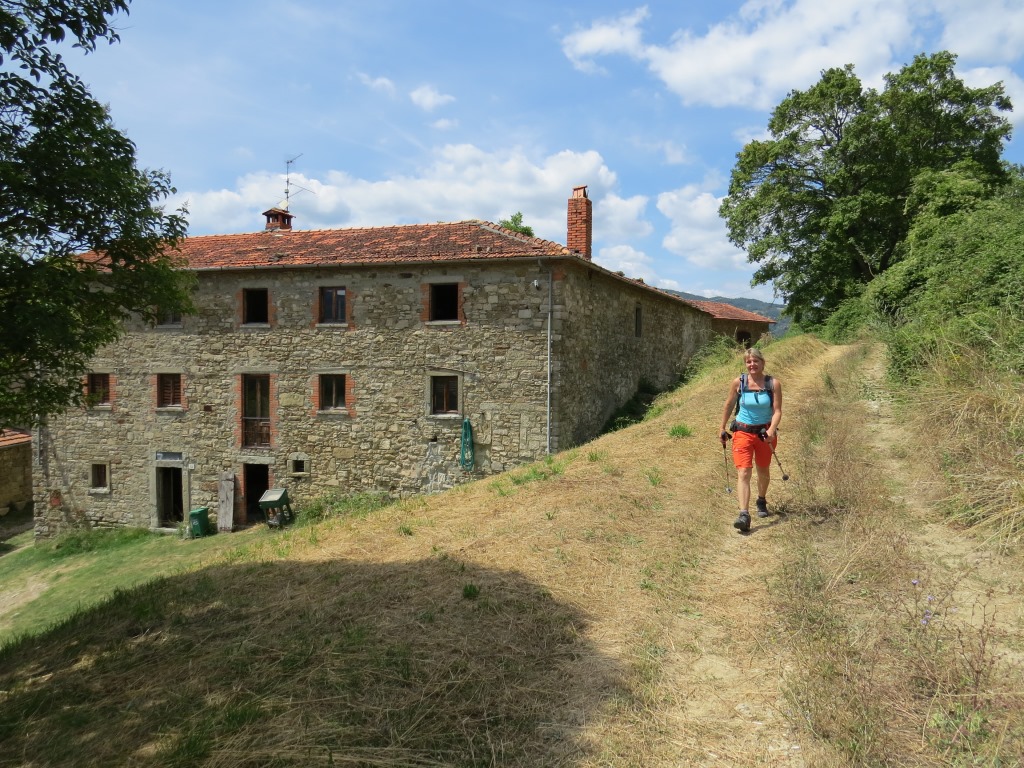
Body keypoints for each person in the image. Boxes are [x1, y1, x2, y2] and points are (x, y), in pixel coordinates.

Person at [719, 347, 782, 532]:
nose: (752, 364)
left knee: (763, 471)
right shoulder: (738, 382)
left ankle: (761, 500)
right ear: (745, 364)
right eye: (748, 362)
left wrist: (771, 430)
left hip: (764, 433)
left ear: (763, 363)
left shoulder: (773, 384)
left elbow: (777, 411)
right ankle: (744, 514)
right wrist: (722, 427)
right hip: (742, 432)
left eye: (755, 361)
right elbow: (729, 404)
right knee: (744, 472)